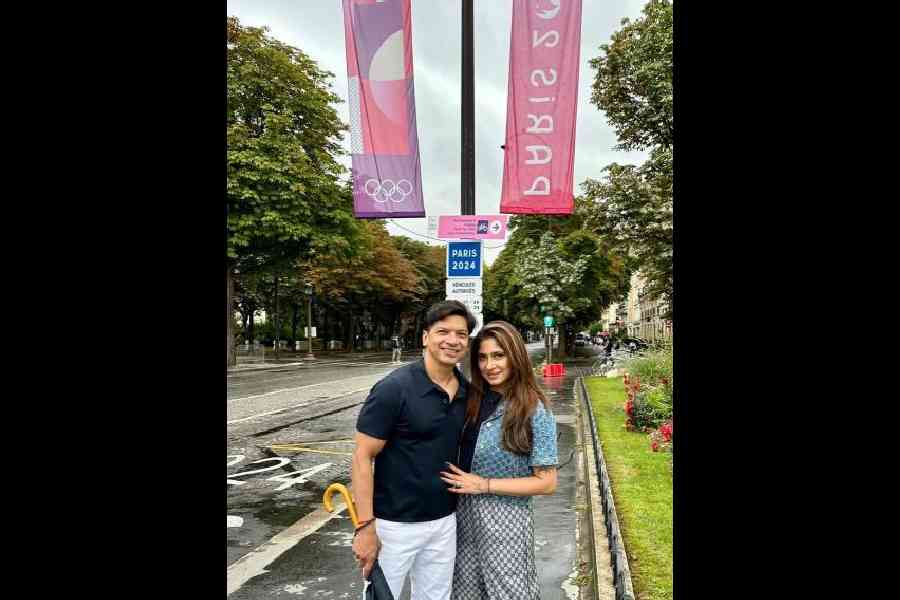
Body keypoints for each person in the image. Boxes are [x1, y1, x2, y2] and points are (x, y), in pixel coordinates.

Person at [351, 300, 478, 600]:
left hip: (444, 522)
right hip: (392, 526)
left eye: (461, 334)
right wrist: (365, 527)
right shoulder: (394, 388)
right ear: (425, 337)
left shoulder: (467, 392)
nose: (452, 340)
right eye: (443, 331)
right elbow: (362, 456)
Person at [440, 320, 558, 600]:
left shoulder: (534, 409)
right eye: (482, 357)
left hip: (507, 525)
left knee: (509, 593)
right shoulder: (472, 401)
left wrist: (484, 484)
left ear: (515, 356)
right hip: (463, 522)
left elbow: (547, 483)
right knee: (465, 593)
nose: (489, 365)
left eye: (498, 355)